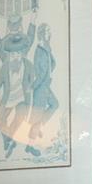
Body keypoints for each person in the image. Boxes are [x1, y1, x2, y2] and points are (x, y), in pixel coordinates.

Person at [0, 47, 34, 158]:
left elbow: (33, 80)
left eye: (18, 53)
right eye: (13, 54)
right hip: (8, 99)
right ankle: (9, 140)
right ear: (10, 55)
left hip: (22, 99)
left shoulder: (28, 65)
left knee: (19, 120)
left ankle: (9, 139)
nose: (15, 56)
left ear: (22, 54)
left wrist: (30, 87)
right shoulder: (5, 67)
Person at [27, 23, 58, 155]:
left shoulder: (46, 47)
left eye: (49, 31)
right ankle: (30, 146)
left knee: (54, 104)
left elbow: (53, 63)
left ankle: (39, 125)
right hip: (40, 88)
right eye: (47, 31)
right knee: (36, 117)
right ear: (41, 33)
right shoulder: (39, 50)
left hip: (45, 85)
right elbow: (40, 73)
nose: (49, 33)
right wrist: (33, 86)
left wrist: (49, 74)